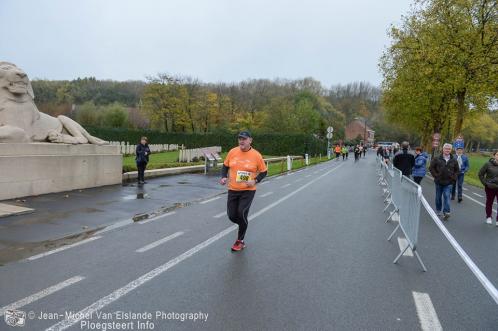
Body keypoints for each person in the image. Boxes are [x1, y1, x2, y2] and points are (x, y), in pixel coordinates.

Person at [220, 131, 267, 252]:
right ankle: (243, 224)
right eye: (240, 139)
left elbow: (264, 171)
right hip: (233, 189)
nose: (241, 141)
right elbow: (225, 166)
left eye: (244, 139)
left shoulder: (256, 155)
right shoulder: (232, 152)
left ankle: (240, 241)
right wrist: (223, 176)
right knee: (232, 216)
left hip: (248, 190)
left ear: (250, 140)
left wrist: (255, 180)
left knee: (241, 213)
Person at [429, 143, 460, 220]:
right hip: (439, 181)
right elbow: (431, 168)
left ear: (451, 150)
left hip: (449, 182)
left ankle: (446, 212)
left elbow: (457, 170)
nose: (447, 150)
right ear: (443, 149)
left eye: (449, 149)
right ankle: (438, 210)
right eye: (446, 149)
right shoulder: (437, 158)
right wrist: (436, 175)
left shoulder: (454, 160)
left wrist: (454, 178)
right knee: (438, 197)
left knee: (447, 196)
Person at [478, 151, 498, 225]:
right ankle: (488, 217)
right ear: (494, 155)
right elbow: (480, 174)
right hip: (490, 187)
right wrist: (485, 183)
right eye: (497, 154)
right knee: (489, 202)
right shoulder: (488, 164)